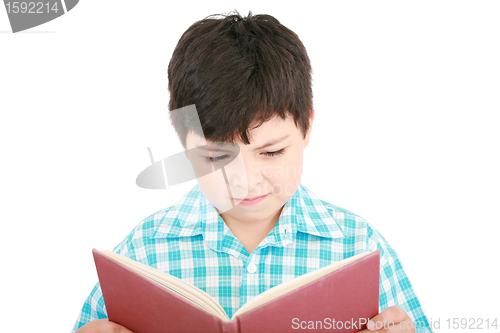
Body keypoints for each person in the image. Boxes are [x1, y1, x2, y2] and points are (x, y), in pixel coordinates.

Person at [72, 11, 432, 333]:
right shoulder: (143, 254)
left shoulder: (358, 248)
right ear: (184, 143)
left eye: (272, 152)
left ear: (306, 128)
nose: (246, 179)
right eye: (216, 157)